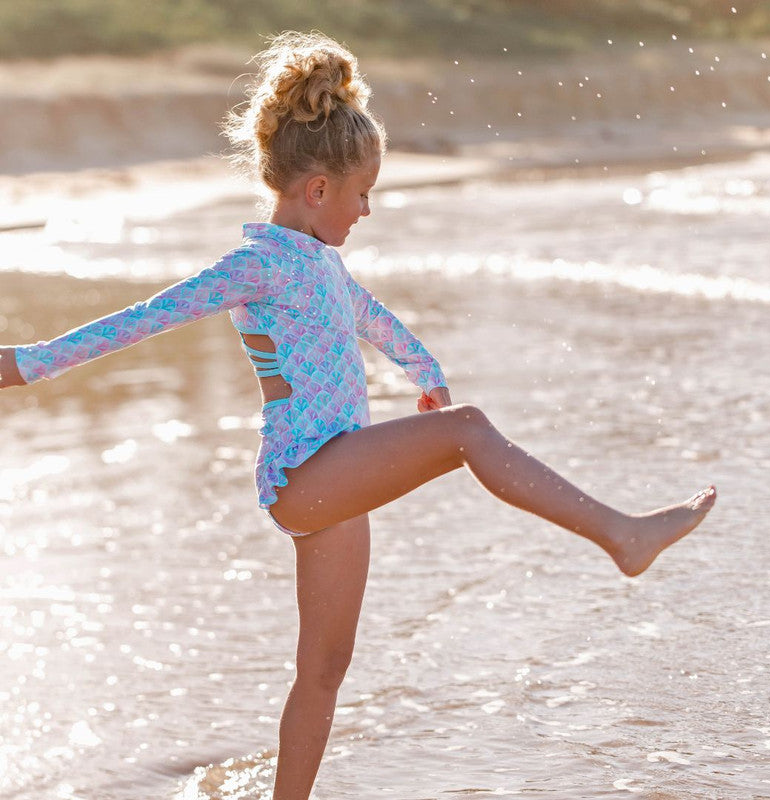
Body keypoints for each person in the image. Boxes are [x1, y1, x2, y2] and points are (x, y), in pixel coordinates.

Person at [0, 31, 716, 800]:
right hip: (305, 475)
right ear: (316, 192)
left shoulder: (324, 265)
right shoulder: (256, 264)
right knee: (469, 432)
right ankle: (622, 535)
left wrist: (426, 373)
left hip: (340, 480)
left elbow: (376, 321)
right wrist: (29, 362)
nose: (367, 209)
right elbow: (150, 316)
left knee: (325, 669)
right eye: (362, 193)